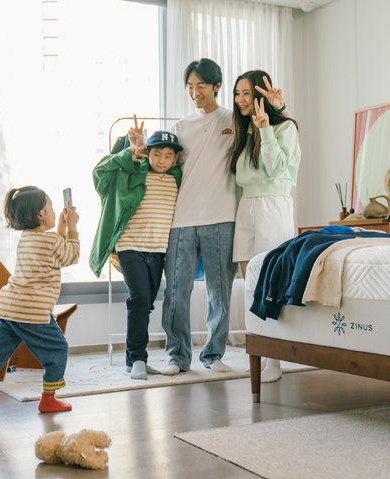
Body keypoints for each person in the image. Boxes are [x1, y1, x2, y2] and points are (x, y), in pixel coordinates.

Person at [0, 186, 80, 415]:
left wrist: (61, 226)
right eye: (50, 208)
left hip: (7, 310)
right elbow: (70, 255)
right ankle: (48, 399)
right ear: (40, 215)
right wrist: (72, 227)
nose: (52, 212)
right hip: (32, 312)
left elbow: (55, 251)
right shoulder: (50, 243)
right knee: (57, 349)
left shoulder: (27, 239)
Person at [160, 58, 238, 376]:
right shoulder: (179, 128)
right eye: (190, 87)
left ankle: (214, 354)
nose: (195, 92)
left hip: (222, 216)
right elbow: (161, 166)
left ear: (217, 86)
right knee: (177, 290)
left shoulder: (234, 121)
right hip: (182, 218)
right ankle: (178, 357)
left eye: (201, 86)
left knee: (220, 289)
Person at [90, 120, 183, 380]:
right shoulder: (132, 173)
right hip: (130, 247)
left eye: (168, 155)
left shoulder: (177, 178)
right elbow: (100, 173)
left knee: (147, 302)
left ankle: (133, 361)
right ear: (147, 153)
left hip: (158, 251)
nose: (162, 160)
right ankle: (139, 357)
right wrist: (130, 152)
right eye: (156, 154)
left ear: (175, 158)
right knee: (140, 298)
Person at [230, 70, 301, 382]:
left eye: (246, 93)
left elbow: (276, 170)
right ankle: (258, 355)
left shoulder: (285, 127)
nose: (240, 100)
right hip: (247, 206)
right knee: (249, 286)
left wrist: (267, 129)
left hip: (274, 204)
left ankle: (275, 361)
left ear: (260, 95)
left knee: (269, 284)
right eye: (237, 93)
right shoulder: (244, 132)